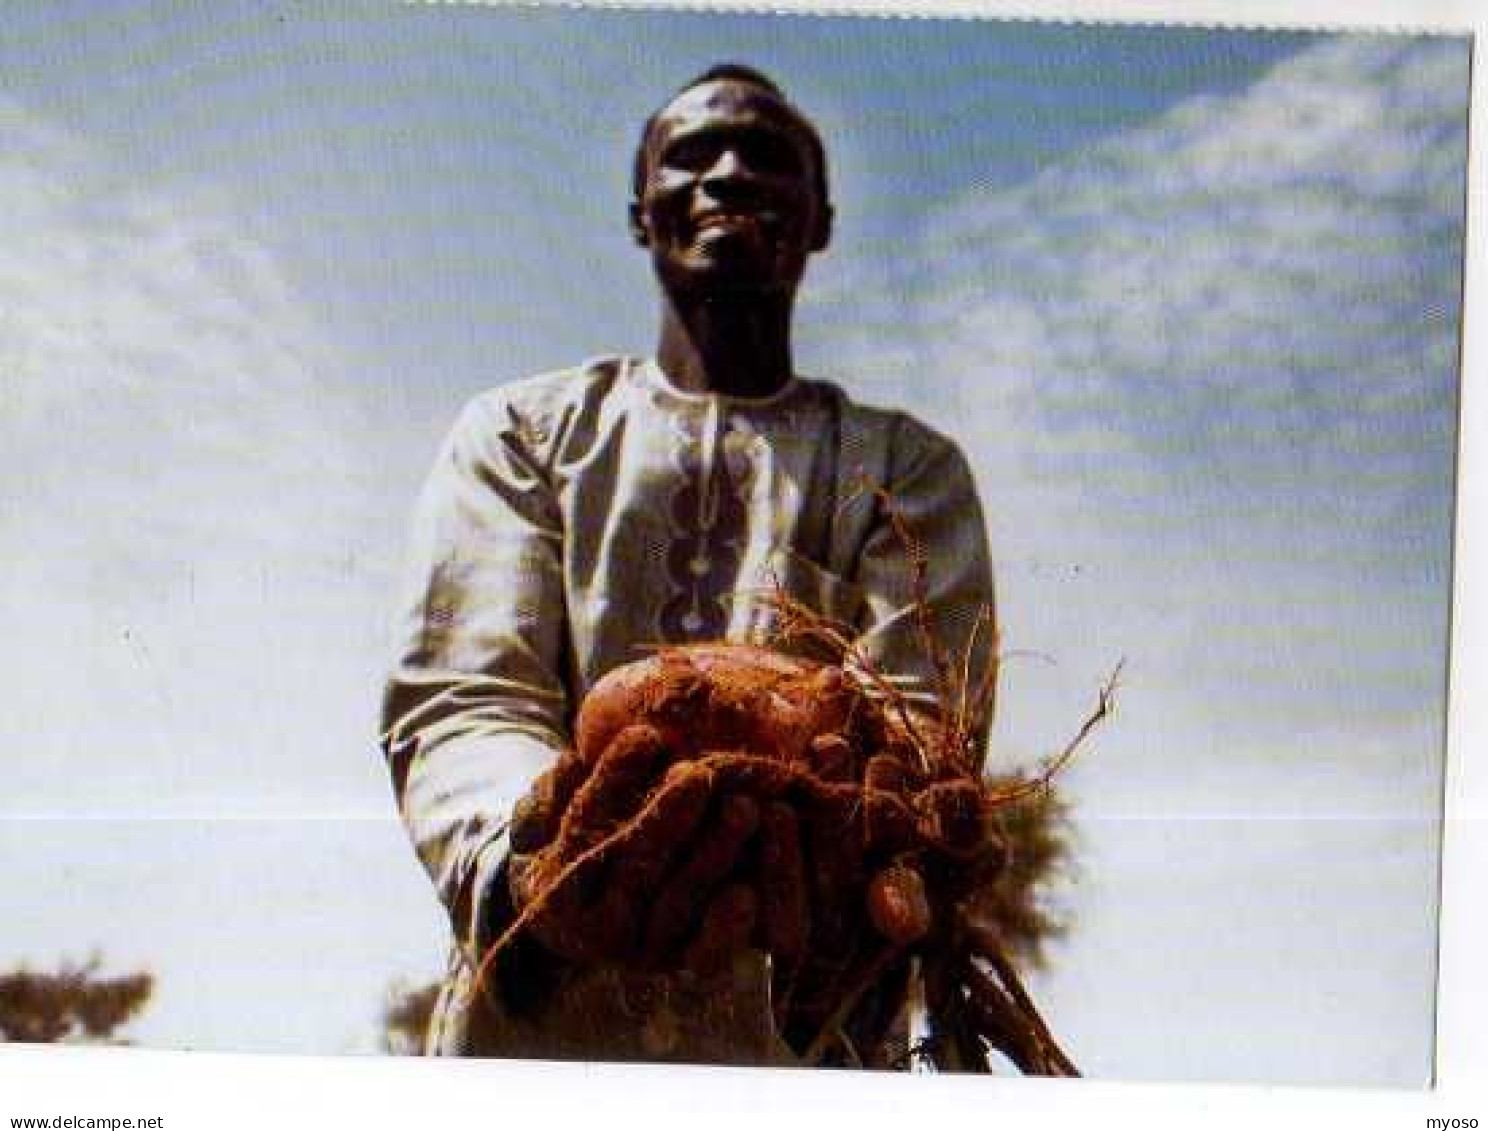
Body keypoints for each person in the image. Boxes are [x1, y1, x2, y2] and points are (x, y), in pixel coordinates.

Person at [380, 64, 996, 1062]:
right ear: (642, 212)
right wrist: (530, 866)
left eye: (769, 158)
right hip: (537, 1040)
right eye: (694, 154)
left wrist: (875, 833)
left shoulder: (903, 469)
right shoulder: (522, 433)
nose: (731, 175)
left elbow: (921, 715)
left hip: (811, 1043)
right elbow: (466, 692)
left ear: (821, 218)